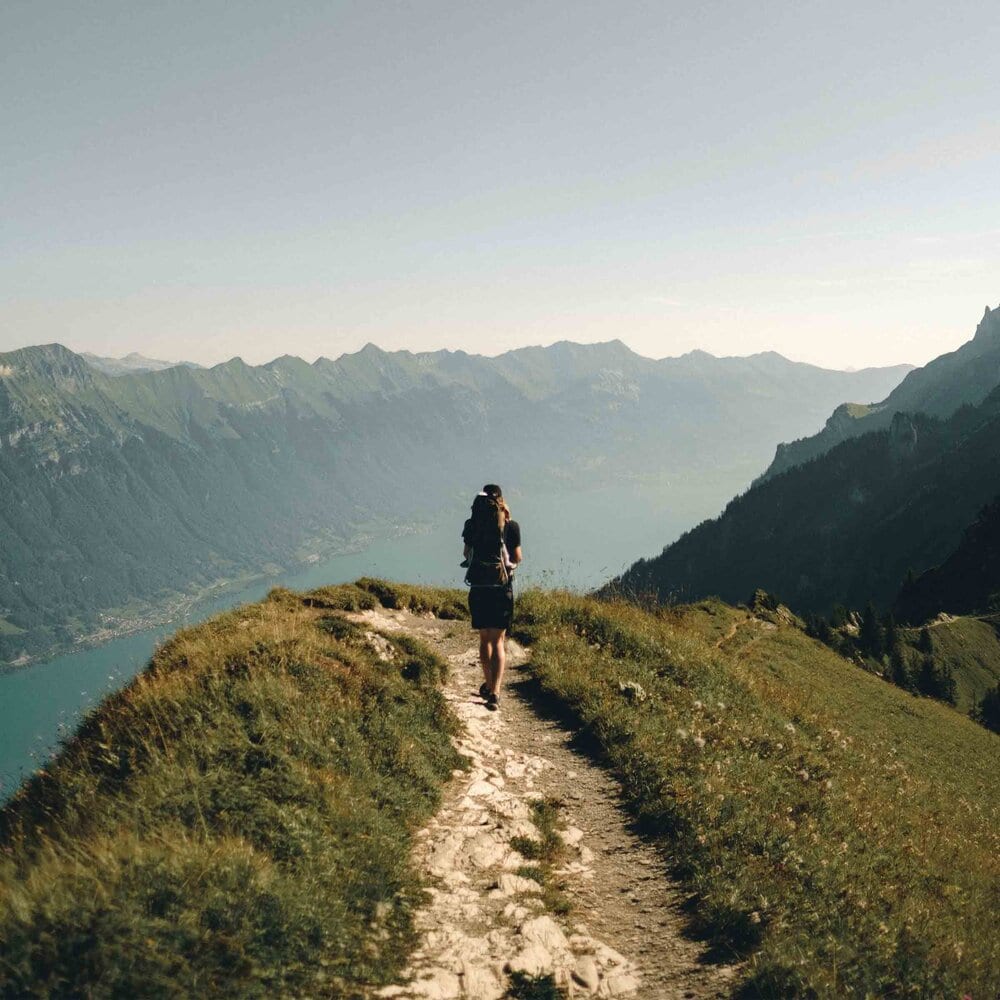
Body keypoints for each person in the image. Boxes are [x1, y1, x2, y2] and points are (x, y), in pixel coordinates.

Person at [462, 484, 522, 711]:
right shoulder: (511, 525)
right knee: (498, 641)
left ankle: (488, 684)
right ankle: (495, 692)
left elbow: (467, 554)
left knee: (484, 639)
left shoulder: (472, 524)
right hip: (501, 588)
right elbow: (517, 557)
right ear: (501, 500)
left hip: (478, 587)